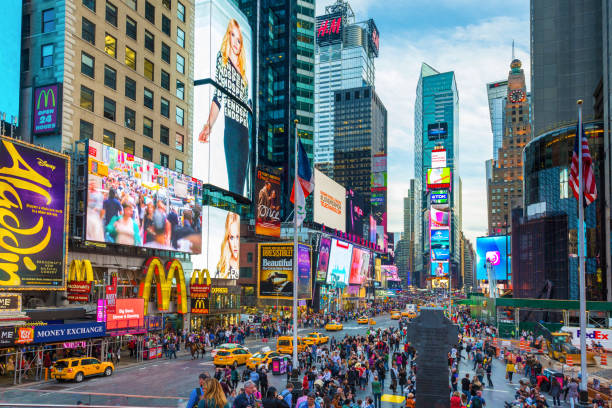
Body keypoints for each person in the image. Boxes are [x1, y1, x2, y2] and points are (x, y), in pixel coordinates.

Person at [198, 18, 250, 197]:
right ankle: (231, 223)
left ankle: (234, 223)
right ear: (228, 36)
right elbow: (218, 96)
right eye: (233, 36)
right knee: (234, 190)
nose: (236, 42)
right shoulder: (223, 60)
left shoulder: (243, 71)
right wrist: (209, 125)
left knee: (240, 193)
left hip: (245, 133)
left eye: (239, 39)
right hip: (233, 127)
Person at [216, 212, 240, 279]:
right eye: (232, 237)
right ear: (228, 239)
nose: (235, 245)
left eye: (237, 237)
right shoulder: (222, 267)